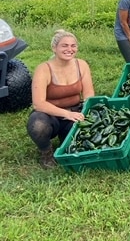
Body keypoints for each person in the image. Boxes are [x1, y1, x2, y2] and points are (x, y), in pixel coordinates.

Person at [27, 30, 95, 168]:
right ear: (54, 48)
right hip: (50, 115)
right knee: (38, 125)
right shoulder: (43, 69)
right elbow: (38, 104)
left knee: (84, 139)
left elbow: (88, 94)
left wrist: (87, 113)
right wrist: (67, 114)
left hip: (75, 112)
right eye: (64, 46)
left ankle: (67, 139)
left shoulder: (81, 65)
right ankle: (46, 152)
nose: (69, 49)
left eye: (73, 46)